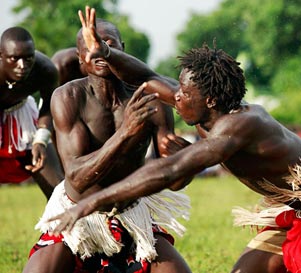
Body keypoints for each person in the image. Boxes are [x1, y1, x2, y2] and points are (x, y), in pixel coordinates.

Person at [49, 6, 301, 273]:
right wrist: (106, 53)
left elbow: (167, 171)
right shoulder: (206, 107)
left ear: (207, 98)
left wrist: (86, 205)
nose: (175, 98)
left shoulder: (239, 125)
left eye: (183, 93)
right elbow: (146, 74)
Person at [23, 14, 191, 273]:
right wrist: (125, 132)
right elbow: (77, 177)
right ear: (81, 59)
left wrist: (182, 164)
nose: (99, 52)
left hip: (131, 212)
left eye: (107, 44)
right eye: (91, 48)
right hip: (78, 214)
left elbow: (169, 177)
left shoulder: (151, 97)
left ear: (121, 50)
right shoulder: (68, 97)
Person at [0, 26, 63, 199]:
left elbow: (50, 103)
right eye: (15, 58)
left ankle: (67, 223)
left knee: (57, 189)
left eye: (28, 58)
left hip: (22, 115)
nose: (22, 65)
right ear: (1, 55)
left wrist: (40, 141)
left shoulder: (45, 69)